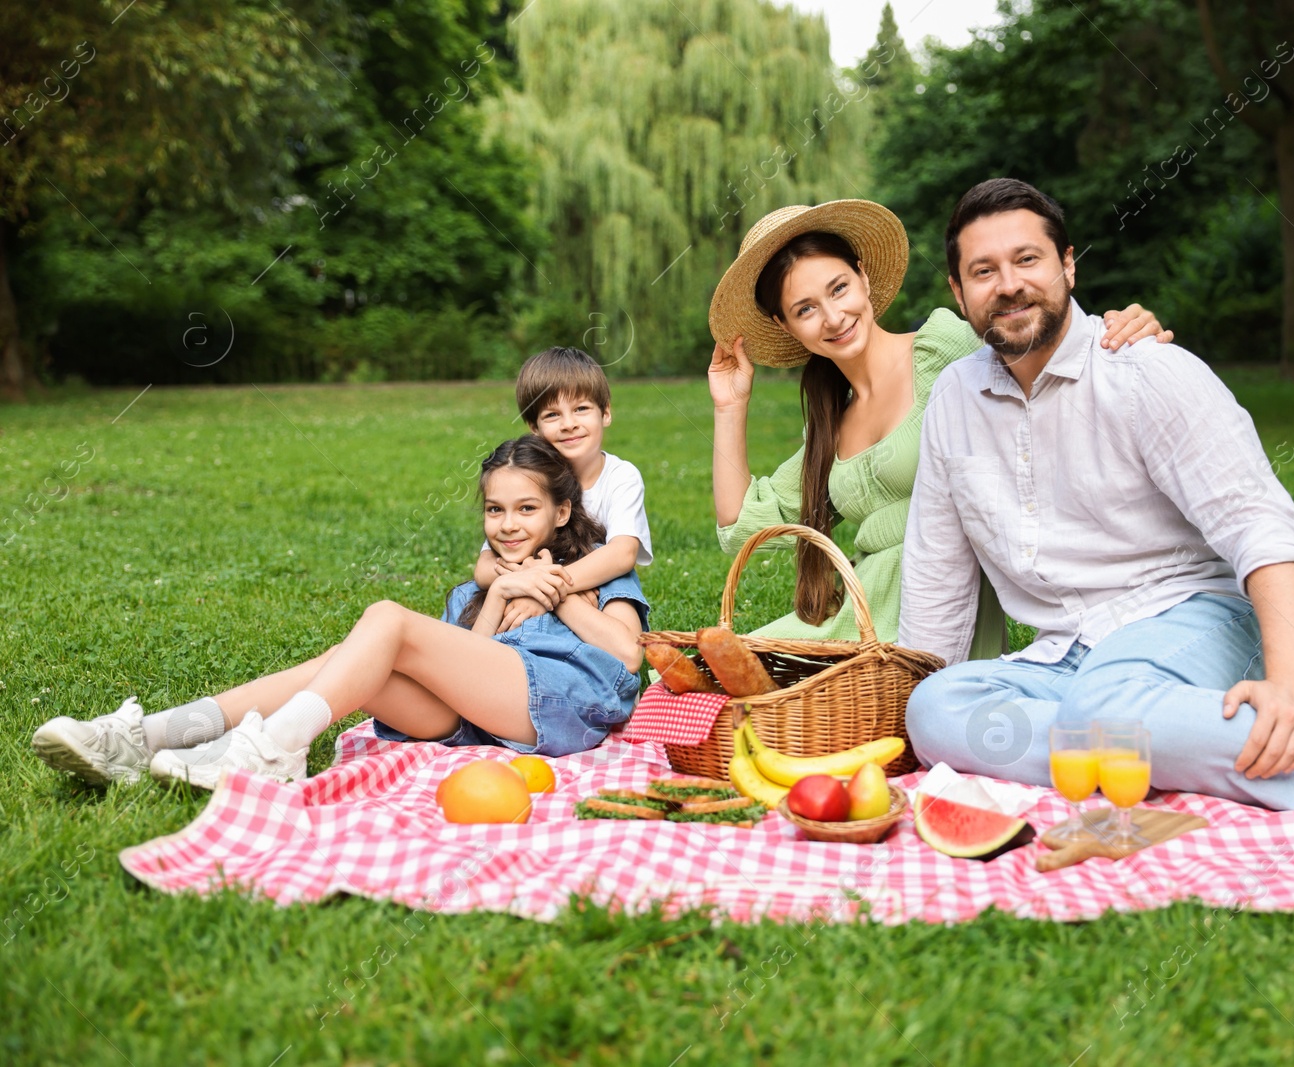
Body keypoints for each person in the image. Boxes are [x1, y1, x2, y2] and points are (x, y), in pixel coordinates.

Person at [898, 178, 1294, 824]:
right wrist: (907, 712)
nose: (1008, 284)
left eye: (1027, 260)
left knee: (1106, 710)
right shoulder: (954, 400)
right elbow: (937, 576)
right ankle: (1153, 748)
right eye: (984, 270)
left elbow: (1260, 525)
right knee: (933, 710)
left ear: (1067, 264)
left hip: (1196, 617)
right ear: (959, 293)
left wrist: (1292, 684)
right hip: (1064, 655)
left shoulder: (1145, 370)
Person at [31, 435, 649, 789]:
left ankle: (275, 753)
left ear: (562, 512)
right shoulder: (480, 587)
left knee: (387, 618)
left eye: (525, 509)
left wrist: (559, 587)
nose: (508, 526)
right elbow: (475, 664)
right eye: (495, 511)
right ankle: (143, 738)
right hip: (480, 720)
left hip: (564, 709)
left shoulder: (601, 571)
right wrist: (505, 594)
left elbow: (627, 658)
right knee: (348, 661)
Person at [706, 199, 1172, 653]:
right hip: (860, 620)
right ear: (785, 325)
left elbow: (1039, 348)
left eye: (839, 288)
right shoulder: (831, 424)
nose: (833, 317)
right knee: (695, 682)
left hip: (937, 618)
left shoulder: (940, 348)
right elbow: (741, 526)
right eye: (805, 309)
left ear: (864, 277)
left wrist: (1117, 327)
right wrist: (730, 407)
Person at [472, 346, 652, 632]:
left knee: (616, 576)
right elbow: (483, 568)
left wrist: (548, 590)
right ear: (534, 426)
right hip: (534, 578)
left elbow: (622, 554)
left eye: (581, 409)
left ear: (605, 413)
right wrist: (533, 584)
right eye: (552, 415)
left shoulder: (620, 476)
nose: (569, 424)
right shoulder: (525, 476)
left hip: (600, 586)